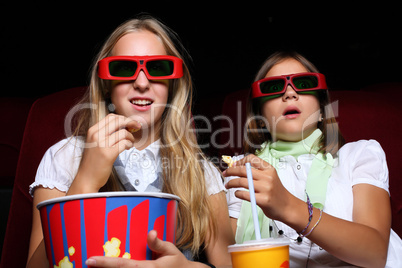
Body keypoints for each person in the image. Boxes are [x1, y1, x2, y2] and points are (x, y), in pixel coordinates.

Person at [27, 15, 234, 268]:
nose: (142, 82)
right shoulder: (64, 158)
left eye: (157, 68)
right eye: (124, 68)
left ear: (172, 85)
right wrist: (86, 179)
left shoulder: (200, 172)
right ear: (106, 84)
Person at [224, 51, 402, 267]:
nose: (290, 93)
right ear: (260, 119)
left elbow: (375, 253)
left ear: (321, 111)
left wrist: (288, 206)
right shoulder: (242, 170)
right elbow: (227, 259)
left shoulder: (359, 156)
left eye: (304, 83)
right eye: (273, 87)